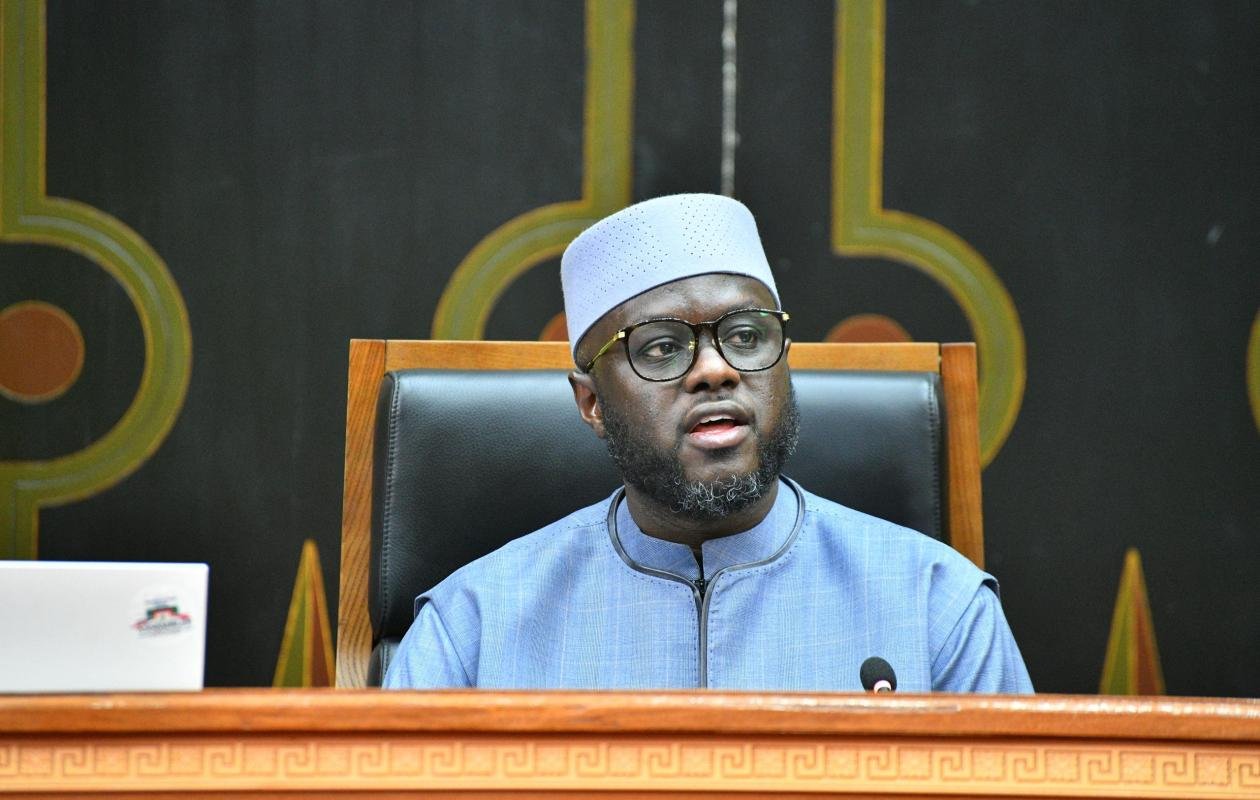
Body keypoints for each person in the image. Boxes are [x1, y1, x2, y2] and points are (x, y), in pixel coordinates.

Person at [384, 193, 1032, 692]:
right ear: (592, 404)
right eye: (661, 348)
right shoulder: (473, 628)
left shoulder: (936, 607)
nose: (716, 370)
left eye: (746, 336)